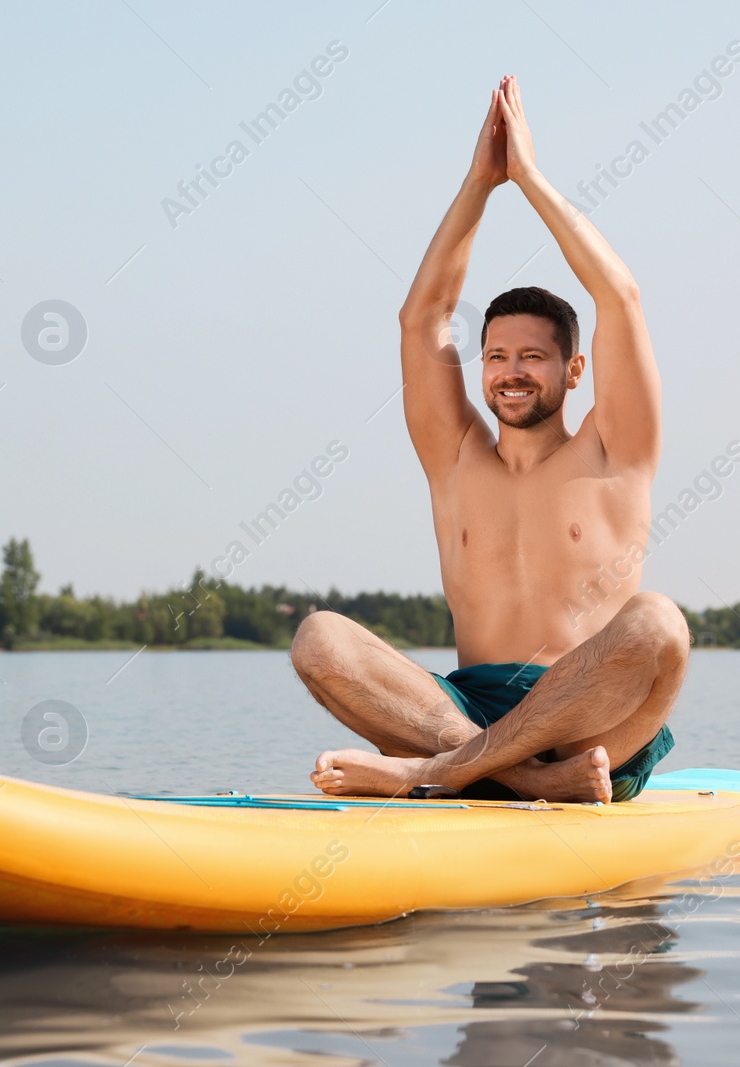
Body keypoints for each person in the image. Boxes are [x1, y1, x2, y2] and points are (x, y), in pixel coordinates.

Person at [295, 76, 689, 804]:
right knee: (318, 636)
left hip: (590, 723)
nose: (512, 372)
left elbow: (619, 297)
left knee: (661, 623)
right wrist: (479, 183)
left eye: (533, 357)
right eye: (497, 356)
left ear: (575, 370)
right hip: (459, 713)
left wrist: (528, 179)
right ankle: (521, 778)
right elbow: (423, 318)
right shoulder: (455, 458)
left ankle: (429, 776)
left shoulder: (613, 449)